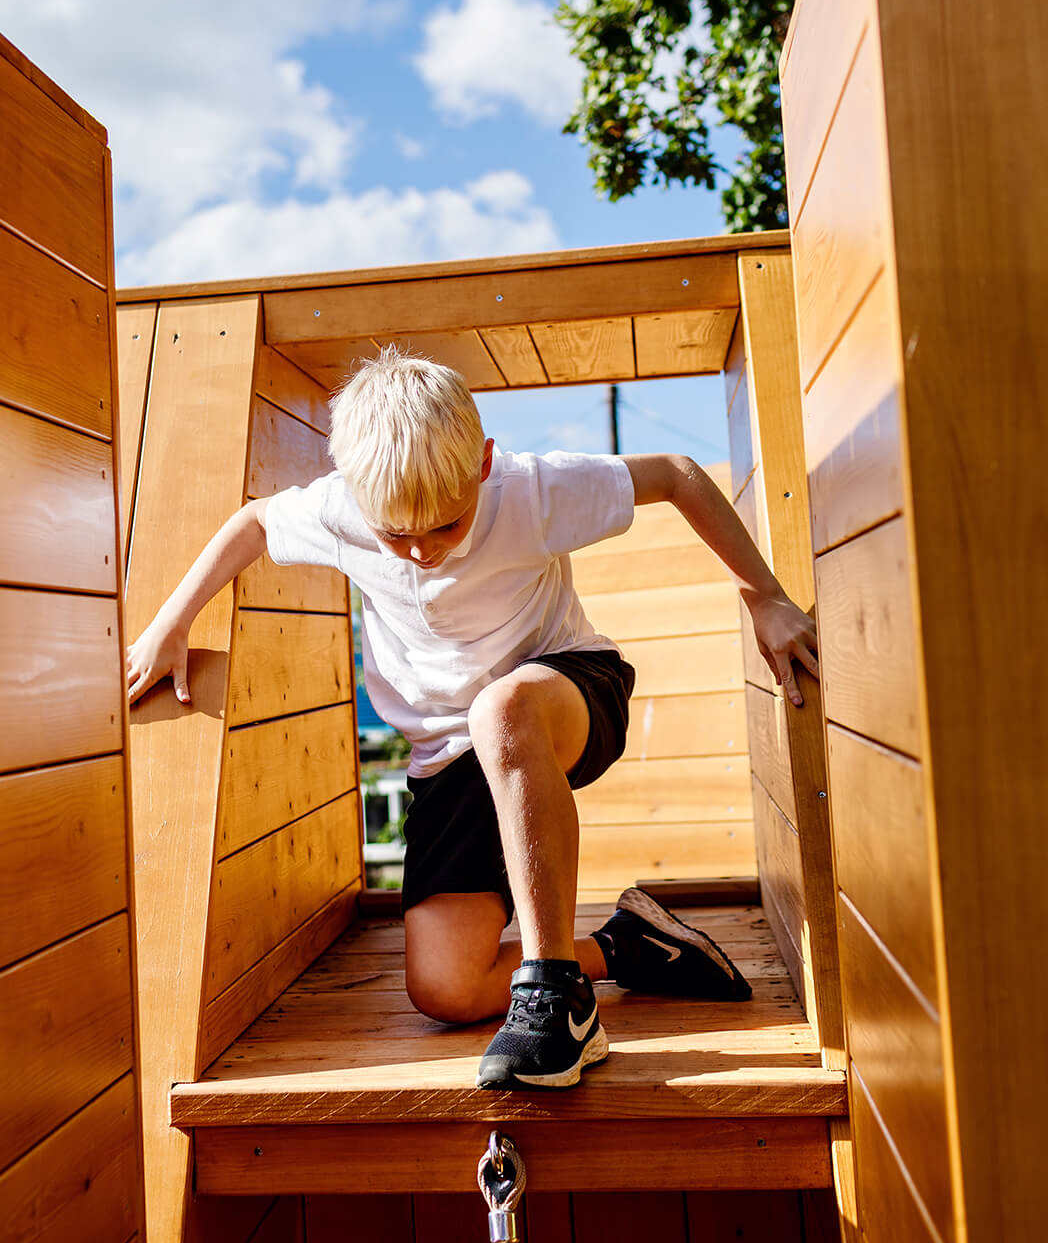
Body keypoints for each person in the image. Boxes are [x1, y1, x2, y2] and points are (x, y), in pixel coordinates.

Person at [126, 348, 818, 1092]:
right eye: (396, 535)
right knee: (446, 990)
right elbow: (256, 523)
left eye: (448, 526)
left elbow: (675, 475)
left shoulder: (530, 492)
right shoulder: (339, 508)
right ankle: (628, 949)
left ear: (484, 462)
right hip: (450, 757)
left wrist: (765, 596)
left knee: (500, 708)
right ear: (355, 494)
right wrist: (171, 621)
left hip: (566, 696)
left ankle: (557, 998)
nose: (421, 551)